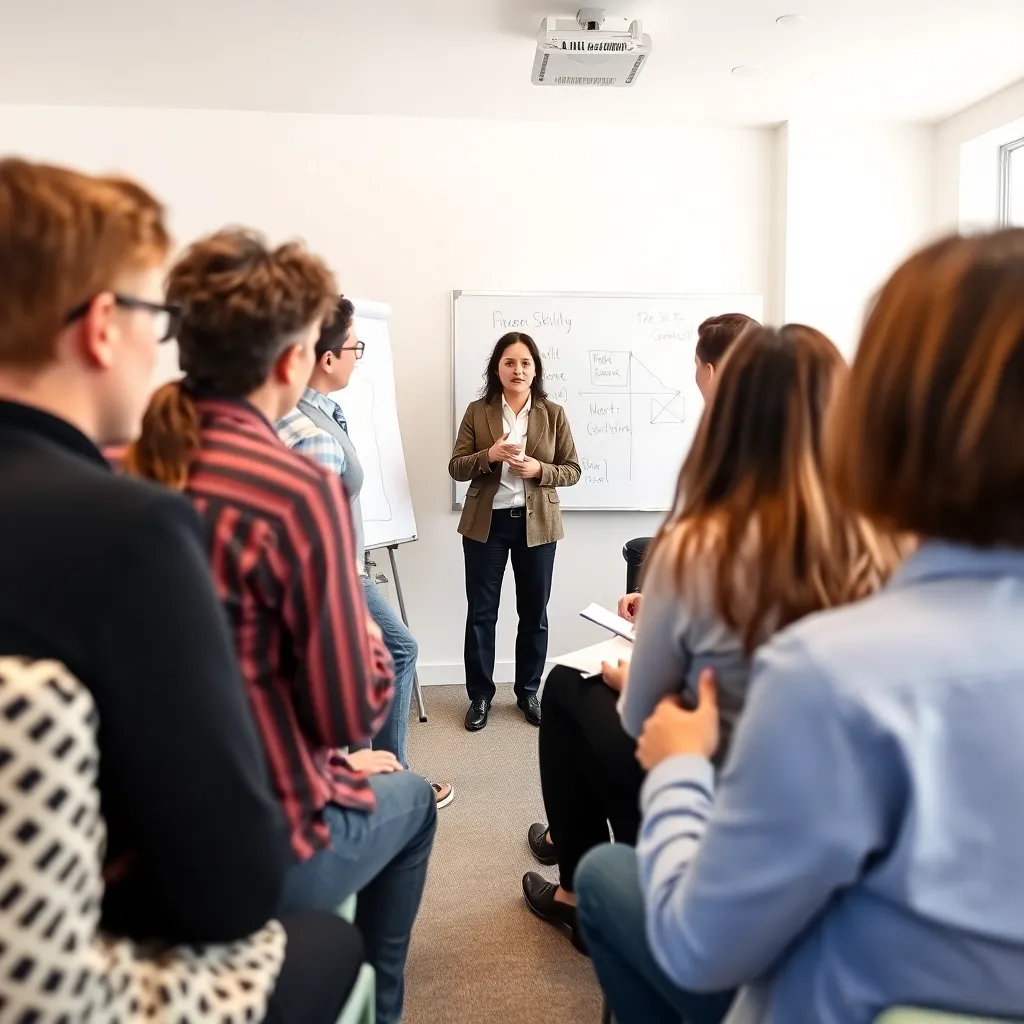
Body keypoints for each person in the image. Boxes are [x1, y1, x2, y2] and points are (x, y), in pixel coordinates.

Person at [576, 231, 1024, 1024]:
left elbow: (700, 945)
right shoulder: (866, 585)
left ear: (883, 419)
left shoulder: (831, 677)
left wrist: (681, 767)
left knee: (610, 875)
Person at [0, 157, 362, 1024]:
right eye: (148, 314)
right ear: (99, 327)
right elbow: (226, 894)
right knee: (330, 944)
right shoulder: (129, 531)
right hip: (72, 968)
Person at [124, 228, 436, 1024]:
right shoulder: (294, 490)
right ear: (296, 359)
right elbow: (342, 712)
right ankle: (379, 1006)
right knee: (410, 798)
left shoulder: (126, 466)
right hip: (257, 851)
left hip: (136, 841)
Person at [524, 313, 762, 940]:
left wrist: (638, 668)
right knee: (578, 686)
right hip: (732, 704)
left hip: (707, 732)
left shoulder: (725, 476)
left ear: (707, 370)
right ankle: (566, 838)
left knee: (568, 687)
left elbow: (679, 666)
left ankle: (580, 886)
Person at [278, 297, 453, 808]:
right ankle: (386, 777)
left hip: (352, 568)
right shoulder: (305, 429)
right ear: (327, 358)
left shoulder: (321, 412)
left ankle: (375, 770)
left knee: (381, 657)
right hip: (337, 575)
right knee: (398, 650)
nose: (359, 355)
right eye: (355, 346)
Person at [449, 332, 581, 731]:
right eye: (509, 362)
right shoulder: (478, 411)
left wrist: (539, 470)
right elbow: (457, 467)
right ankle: (480, 697)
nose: (517, 370)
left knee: (534, 614)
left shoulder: (553, 413)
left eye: (525, 363)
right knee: (481, 613)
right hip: (485, 525)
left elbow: (572, 469)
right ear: (497, 368)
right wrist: (489, 456)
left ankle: (528, 693)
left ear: (535, 369)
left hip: (536, 525)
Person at [617, 311, 759, 625]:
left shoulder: (726, 446)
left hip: (724, 629)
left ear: (709, 371)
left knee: (568, 676)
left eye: (696, 365)